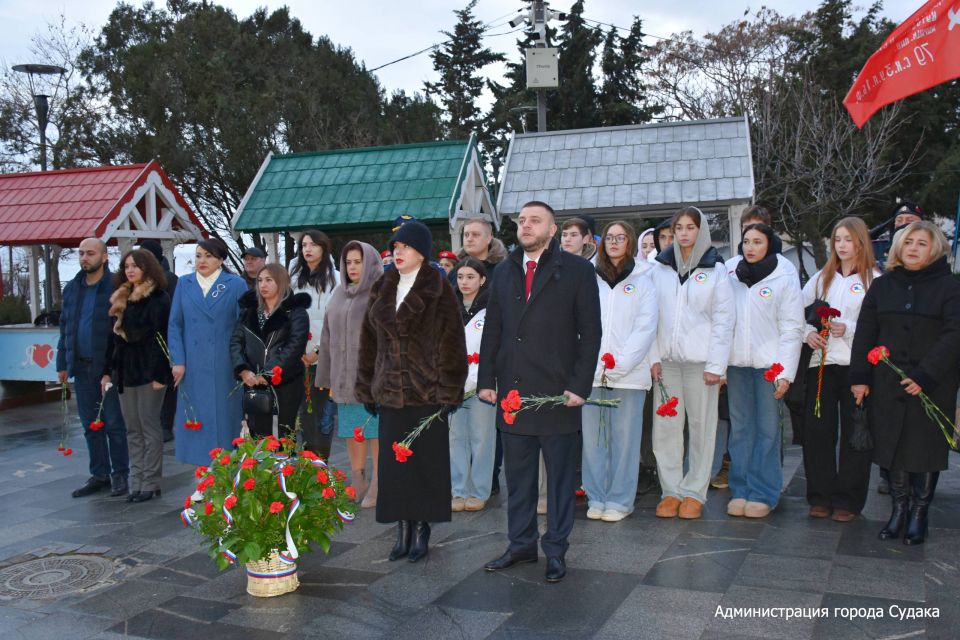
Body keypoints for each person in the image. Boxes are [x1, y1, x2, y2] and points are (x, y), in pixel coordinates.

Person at [479, 201, 601, 584]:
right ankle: (520, 545)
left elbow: (591, 332)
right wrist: (486, 380)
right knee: (518, 479)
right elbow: (493, 329)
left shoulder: (578, 271)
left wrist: (579, 386)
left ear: (552, 230)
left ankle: (556, 550)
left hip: (557, 394)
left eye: (536, 221)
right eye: (522, 220)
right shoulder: (503, 271)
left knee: (561, 480)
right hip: (514, 394)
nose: (526, 226)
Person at [356, 220, 467, 563]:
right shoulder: (382, 287)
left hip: (427, 394)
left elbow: (453, 343)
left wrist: (449, 391)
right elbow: (368, 343)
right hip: (389, 393)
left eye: (404, 246)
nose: (397, 252)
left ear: (421, 251)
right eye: (395, 247)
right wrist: (367, 388)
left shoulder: (439, 288)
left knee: (425, 465)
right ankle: (402, 529)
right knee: (394, 467)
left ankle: (422, 529)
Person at [850, 221, 960, 545]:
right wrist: (859, 378)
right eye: (908, 242)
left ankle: (919, 513)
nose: (913, 248)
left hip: (932, 382)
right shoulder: (883, 286)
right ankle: (898, 510)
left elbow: (954, 335)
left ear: (935, 248)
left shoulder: (950, 287)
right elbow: (866, 333)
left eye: (922, 243)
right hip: (888, 383)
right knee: (893, 446)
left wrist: (926, 375)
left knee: (924, 448)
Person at [648, 207, 734, 520]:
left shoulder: (715, 268)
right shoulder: (659, 268)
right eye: (679, 228)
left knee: (701, 428)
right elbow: (651, 317)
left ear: (701, 231)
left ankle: (694, 492)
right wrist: (653, 357)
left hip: (701, 365)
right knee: (666, 428)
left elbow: (724, 320)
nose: (683, 233)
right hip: (667, 363)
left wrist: (717, 365)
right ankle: (670, 491)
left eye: (690, 227)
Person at [800, 217, 879, 522]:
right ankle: (820, 496)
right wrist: (807, 334)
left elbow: (880, 326)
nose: (842, 245)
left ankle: (847, 500)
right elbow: (796, 314)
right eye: (837, 239)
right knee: (817, 432)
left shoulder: (875, 279)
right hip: (821, 365)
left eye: (848, 239)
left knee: (854, 433)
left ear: (861, 242)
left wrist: (849, 329)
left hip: (856, 368)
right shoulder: (823, 278)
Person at [724, 223, 804, 518]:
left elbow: (792, 326)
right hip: (736, 364)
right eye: (746, 241)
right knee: (741, 429)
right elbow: (722, 318)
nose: (750, 247)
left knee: (768, 430)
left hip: (770, 365)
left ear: (769, 245)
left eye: (757, 242)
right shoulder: (731, 271)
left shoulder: (784, 274)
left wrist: (785, 372)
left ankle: (764, 492)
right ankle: (741, 489)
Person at [582, 221, 657, 522]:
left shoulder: (644, 278)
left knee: (625, 440)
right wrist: (593, 363)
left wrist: (620, 365)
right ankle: (596, 496)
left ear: (630, 241)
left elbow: (645, 327)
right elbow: (579, 322)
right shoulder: (588, 276)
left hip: (629, 374)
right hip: (590, 372)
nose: (614, 242)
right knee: (594, 440)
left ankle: (620, 500)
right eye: (609, 238)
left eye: (620, 238)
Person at [57, 238, 129, 499]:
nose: (85, 257)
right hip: (80, 366)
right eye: (82, 253)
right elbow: (65, 327)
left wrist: (112, 368)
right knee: (90, 424)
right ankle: (99, 474)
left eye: (91, 253)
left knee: (113, 423)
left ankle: (120, 473)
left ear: (104, 257)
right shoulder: (73, 289)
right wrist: (62, 362)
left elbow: (119, 333)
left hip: (106, 368)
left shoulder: (115, 287)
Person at [168, 238, 248, 466]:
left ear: (221, 260)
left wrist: (241, 361)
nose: (202, 261)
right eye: (199, 256)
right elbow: (175, 324)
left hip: (224, 362)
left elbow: (242, 325)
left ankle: (226, 472)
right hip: (191, 364)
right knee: (196, 418)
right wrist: (178, 360)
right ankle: (202, 477)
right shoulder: (185, 283)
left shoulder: (234, 284)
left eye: (209, 256)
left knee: (224, 418)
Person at [317, 241, 384, 509]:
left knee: (376, 431)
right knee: (352, 430)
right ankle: (358, 478)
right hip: (343, 377)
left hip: (370, 378)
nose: (353, 267)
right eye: (348, 262)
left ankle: (381, 480)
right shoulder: (338, 293)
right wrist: (325, 376)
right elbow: (327, 334)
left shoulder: (380, 292)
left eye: (358, 261)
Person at [102, 249, 172, 503]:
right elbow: (112, 340)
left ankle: (151, 482)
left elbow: (162, 338)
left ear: (147, 268)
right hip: (124, 372)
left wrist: (160, 374)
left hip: (150, 370)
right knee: (132, 428)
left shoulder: (159, 298)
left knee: (149, 426)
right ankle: (137, 480)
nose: (130, 270)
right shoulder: (121, 298)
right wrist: (107, 372)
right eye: (127, 266)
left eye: (136, 266)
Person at [455, 217, 508, 495]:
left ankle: (487, 480)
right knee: (458, 436)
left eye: (476, 234)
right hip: (458, 375)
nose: (470, 239)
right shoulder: (455, 272)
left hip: (485, 372)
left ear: (489, 238)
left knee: (485, 433)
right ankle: (460, 485)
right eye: (466, 234)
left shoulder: (504, 270)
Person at [231, 264, 310, 438]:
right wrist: (243, 370)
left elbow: (294, 347)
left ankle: (284, 465)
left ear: (281, 282)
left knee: (282, 435)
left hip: (285, 384)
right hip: (252, 383)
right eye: (259, 281)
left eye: (269, 280)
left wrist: (267, 374)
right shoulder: (249, 312)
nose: (263, 285)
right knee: (256, 435)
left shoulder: (296, 313)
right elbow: (236, 342)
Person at [450, 257, 496, 512]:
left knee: (481, 439)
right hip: (455, 384)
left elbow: (494, 348)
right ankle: (458, 490)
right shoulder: (448, 307)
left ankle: (479, 490)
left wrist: (485, 377)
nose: (464, 282)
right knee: (456, 437)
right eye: (460, 277)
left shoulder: (492, 308)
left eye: (470, 277)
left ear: (482, 279)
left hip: (482, 384)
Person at [290, 230, 340, 458]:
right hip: (297, 356)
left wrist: (318, 350)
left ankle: (321, 465)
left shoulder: (336, 279)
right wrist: (296, 348)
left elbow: (335, 319)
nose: (307, 249)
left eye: (313, 245)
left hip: (324, 357)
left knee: (321, 413)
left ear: (323, 247)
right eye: (304, 245)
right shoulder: (293, 278)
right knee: (300, 413)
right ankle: (305, 467)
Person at [138, 240, 178, 443]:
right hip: (142, 342)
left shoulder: (169, 279)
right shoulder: (136, 279)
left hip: (164, 339)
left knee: (166, 384)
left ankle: (165, 424)